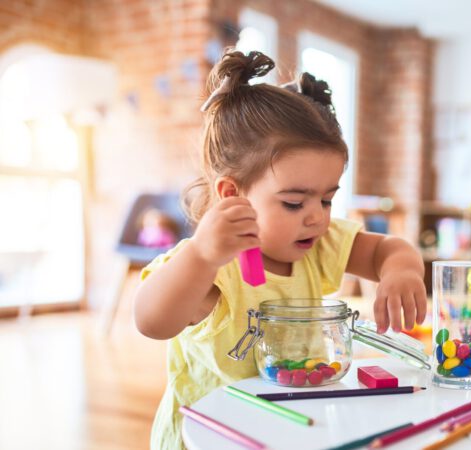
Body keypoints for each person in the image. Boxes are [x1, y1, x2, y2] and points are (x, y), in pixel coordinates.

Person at [133, 50, 427, 450]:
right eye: (294, 202)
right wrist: (201, 256)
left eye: (326, 200)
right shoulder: (209, 265)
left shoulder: (317, 245)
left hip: (288, 429)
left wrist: (401, 271)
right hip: (208, 439)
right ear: (232, 194)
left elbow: (386, 250)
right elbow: (152, 321)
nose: (316, 218)